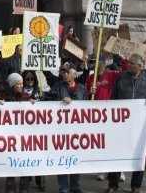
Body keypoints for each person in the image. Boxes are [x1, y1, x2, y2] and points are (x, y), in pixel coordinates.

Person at [104, 53, 146, 193]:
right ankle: (112, 185)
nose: (128, 65)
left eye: (131, 63)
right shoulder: (121, 77)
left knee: (139, 153)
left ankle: (136, 186)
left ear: (140, 66)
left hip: (139, 126)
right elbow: (113, 98)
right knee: (117, 152)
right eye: (128, 63)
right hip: (121, 123)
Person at [48, 64, 87, 193]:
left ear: (74, 74)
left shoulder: (82, 89)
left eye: (67, 72)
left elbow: (87, 108)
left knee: (76, 159)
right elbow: (48, 102)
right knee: (62, 160)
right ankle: (64, 188)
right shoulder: (57, 87)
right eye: (63, 72)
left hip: (77, 131)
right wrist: (60, 100)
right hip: (61, 131)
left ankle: (75, 186)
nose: (64, 74)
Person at [85, 55, 121, 181]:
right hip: (97, 116)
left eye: (99, 62)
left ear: (104, 63)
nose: (96, 65)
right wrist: (90, 92)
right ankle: (102, 169)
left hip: (111, 114)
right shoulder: (90, 78)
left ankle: (118, 170)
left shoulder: (112, 74)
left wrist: (122, 58)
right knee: (101, 143)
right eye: (93, 63)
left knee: (114, 143)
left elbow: (125, 72)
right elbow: (86, 95)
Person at [2, 73, 32, 193]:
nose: (21, 86)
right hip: (10, 137)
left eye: (21, 84)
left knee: (23, 164)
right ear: (12, 85)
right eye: (18, 84)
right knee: (11, 164)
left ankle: (24, 189)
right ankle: (10, 189)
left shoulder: (25, 96)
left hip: (23, 137)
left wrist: (32, 104)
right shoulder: (4, 97)